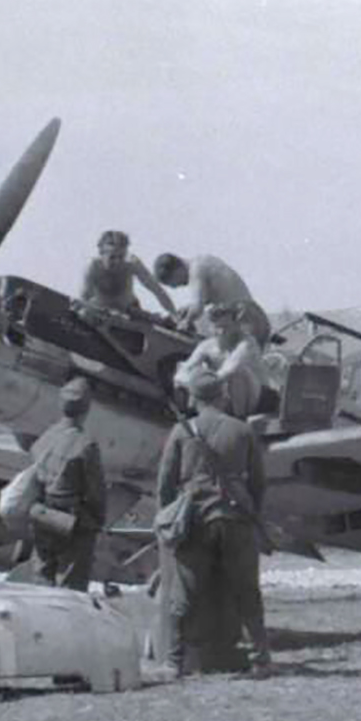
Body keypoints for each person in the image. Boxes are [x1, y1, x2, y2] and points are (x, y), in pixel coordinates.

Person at [155, 370, 271, 677]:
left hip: (195, 519)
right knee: (247, 591)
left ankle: (174, 661)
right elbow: (259, 482)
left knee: (184, 593)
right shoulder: (242, 430)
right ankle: (260, 658)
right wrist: (252, 513)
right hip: (235, 519)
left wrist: (169, 519)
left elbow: (165, 483)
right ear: (222, 396)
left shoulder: (181, 431)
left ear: (194, 398)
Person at [26, 378, 107, 589]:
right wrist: (97, 521)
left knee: (41, 580)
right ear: (86, 408)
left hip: (43, 514)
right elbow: (96, 491)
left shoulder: (46, 436)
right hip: (72, 521)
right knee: (71, 587)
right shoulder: (86, 445)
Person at [173, 302, 274, 419]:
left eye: (226, 327)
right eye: (217, 327)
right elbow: (183, 372)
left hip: (259, 398)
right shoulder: (207, 345)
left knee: (237, 373)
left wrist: (202, 383)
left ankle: (239, 419)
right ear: (211, 327)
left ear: (236, 325)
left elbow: (228, 370)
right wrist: (191, 380)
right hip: (225, 394)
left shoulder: (247, 343)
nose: (221, 332)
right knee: (193, 373)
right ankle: (193, 416)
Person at [153, 252, 271, 344]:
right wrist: (186, 309)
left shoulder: (196, 270)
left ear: (177, 270)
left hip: (243, 319)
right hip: (255, 316)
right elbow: (215, 295)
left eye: (173, 283)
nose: (176, 287)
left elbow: (197, 307)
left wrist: (185, 323)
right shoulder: (204, 260)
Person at [78, 230, 178, 324]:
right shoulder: (93, 268)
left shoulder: (132, 263)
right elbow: (84, 299)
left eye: (121, 257)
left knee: (160, 321)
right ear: (101, 253)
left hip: (130, 311)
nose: (117, 261)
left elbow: (157, 290)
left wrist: (174, 314)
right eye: (112, 257)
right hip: (103, 312)